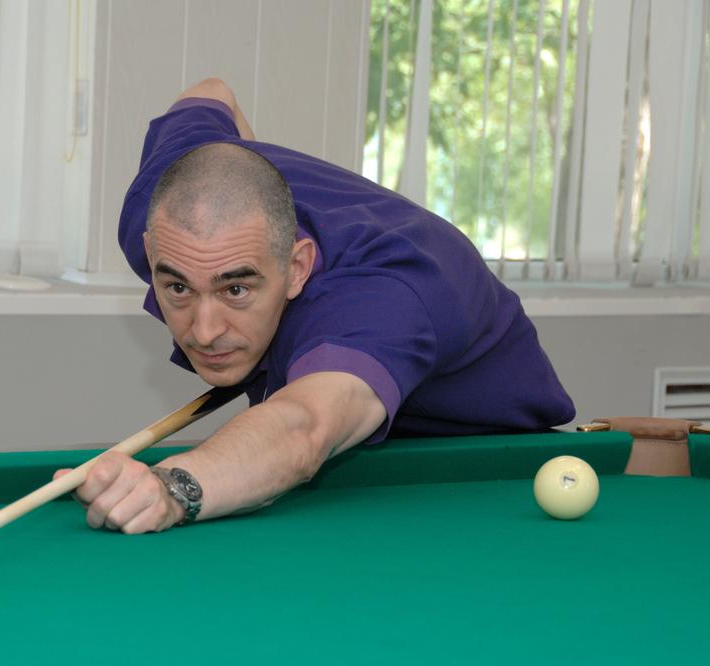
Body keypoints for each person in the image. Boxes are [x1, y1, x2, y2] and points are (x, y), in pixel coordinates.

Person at [64, 78, 574, 534]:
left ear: (298, 268)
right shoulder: (168, 211)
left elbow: (305, 427)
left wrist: (174, 490)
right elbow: (211, 91)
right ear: (152, 250)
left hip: (487, 468)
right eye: (179, 288)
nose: (204, 330)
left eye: (236, 289)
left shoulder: (385, 296)